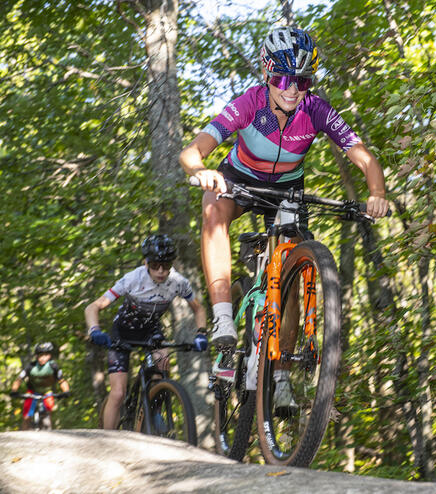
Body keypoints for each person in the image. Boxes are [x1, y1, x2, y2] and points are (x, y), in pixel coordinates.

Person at [179, 25, 390, 352]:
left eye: (302, 81)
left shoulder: (316, 110)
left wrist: (377, 193)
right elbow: (191, 152)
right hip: (241, 178)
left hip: (287, 189)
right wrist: (200, 170)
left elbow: (363, 158)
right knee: (212, 207)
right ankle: (222, 315)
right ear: (267, 72)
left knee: (291, 275)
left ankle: (279, 374)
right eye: (282, 79)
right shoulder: (249, 104)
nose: (292, 90)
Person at [84, 234, 208, 430]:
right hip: (123, 333)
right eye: (155, 265)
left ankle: (154, 411)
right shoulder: (132, 279)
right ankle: (106, 441)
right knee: (118, 393)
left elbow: (198, 309)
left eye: (166, 266)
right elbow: (93, 307)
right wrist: (95, 330)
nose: (160, 271)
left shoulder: (178, 282)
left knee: (163, 361)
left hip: (151, 331)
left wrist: (201, 333)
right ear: (146, 263)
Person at [10, 342, 70, 430]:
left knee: (48, 413)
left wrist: (66, 392)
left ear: (49, 356)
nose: (42, 358)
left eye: (46, 355)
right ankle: (24, 435)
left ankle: (48, 434)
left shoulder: (53, 366)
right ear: (36, 356)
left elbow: (61, 380)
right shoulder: (31, 366)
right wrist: (14, 391)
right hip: (32, 391)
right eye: (40, 355)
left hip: (47, 392)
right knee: (27, 416)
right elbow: (19, 379)